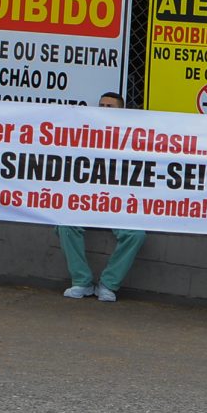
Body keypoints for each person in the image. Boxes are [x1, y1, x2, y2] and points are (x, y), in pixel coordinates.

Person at [57, 92, 147, 302]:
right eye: (101, 105)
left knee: (136, 234)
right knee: (65, 225)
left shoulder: (133, 136)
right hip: (87, 200)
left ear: (122, 112)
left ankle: (109, 284)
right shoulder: (84, 134)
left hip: (120, 203)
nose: (104, 108)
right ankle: (82, 281)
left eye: (110, 106)